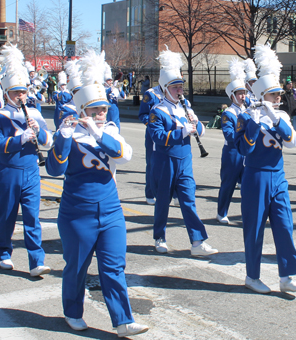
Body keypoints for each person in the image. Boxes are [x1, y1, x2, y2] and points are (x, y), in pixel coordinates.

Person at [46, 50, 148, 337]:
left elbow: (124, 155)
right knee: (77, 267)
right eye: (94, 110)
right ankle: (72, 311)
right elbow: (54, 170)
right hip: (77, 212)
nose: (100, 114)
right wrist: (64, 137)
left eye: (103, 109)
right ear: (81, 111)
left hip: (112, 210)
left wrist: (97, 132)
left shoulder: (111, 132)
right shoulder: (67, 134)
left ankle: (123, 320)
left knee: (114, 266)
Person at [234, 44, 296, 294]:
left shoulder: (281, 116)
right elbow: (244, 150)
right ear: (262, 95)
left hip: (279, 177)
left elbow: (294, 142)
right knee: (254, 228)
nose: (278, 99)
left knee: (284, 225)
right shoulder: (245, 118)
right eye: (274, 95)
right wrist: (255, 121)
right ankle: (252, 276)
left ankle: (287, 275)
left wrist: (274, 118)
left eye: (278, 95)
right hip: (256, 176)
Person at [0, 44, 52, 276]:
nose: (20, 96)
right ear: (6, 94)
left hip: (31, 171)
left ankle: (36, 260)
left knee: (33, 217)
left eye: (22, 91)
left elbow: (47, 141)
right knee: (6, 215)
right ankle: (3, 252)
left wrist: (38, 131)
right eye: (15, 92)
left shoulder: (34, 113)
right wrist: (19, 138)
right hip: (8, 171)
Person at [147, 47, 218, 256]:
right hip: (164, 162)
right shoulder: (157, 111)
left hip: (184, 162)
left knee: (189, 201)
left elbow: (199, 132)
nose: (180, 90)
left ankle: (197, 242)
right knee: (162, 203)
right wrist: (181, 132)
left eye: (180, 86)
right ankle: (159, 236)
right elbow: (158, 137)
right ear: (165, 89)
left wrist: (198, 125)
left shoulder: (185, 107)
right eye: (175, 87)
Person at [216, 58, 246, 224]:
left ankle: (246, 213)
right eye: (239, 94)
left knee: (247, 186)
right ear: (232, 96)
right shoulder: (228, 113)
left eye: (244, 93)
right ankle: (222, 212)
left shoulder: (248, 110)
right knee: (228, 184)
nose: (243, 96)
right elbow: (229, 135)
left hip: (246, 152)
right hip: (233, 153)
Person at [138, 76, 164, 205]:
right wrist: (152, 126)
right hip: (154, 134)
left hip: (171, 133)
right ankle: (150, 193)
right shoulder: (151, 94)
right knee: (152, 163)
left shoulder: (177, 94)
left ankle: (174, 193)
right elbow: (143, 114)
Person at [104, 63, 126, 131]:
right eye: (108, 80)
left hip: (115, 110)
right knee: (108, 126)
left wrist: (120, 89)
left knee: (116, 127)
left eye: (111, 80)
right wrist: (113, 86)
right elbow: (106, 93)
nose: (110, 81)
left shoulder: (114, 89)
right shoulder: (103, 89)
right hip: (107, 110)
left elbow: (123, 97)